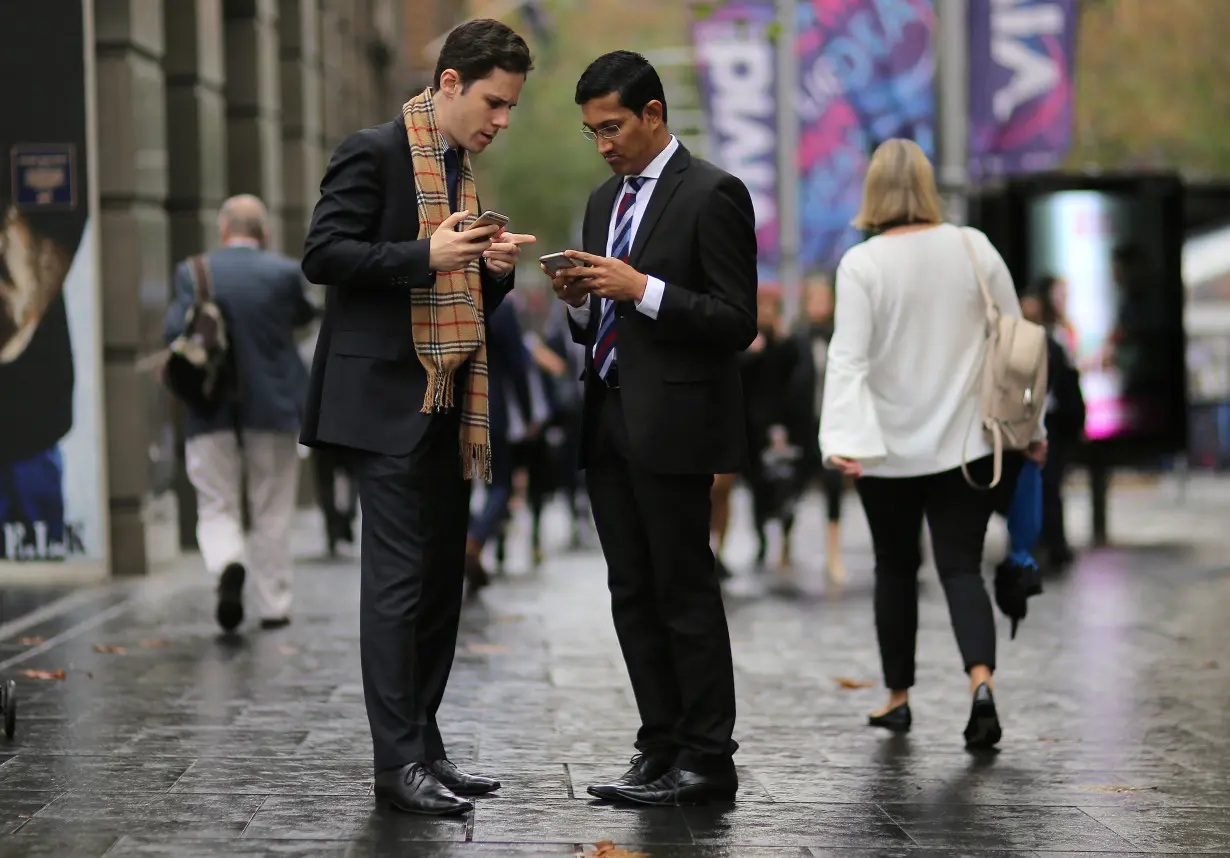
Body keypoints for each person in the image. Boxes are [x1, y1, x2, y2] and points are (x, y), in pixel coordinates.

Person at [299, 18, 536, 816]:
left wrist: (490, 270)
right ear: (448, 85)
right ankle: (395, 765)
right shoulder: (372, 151)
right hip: (383, 403)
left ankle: (425, 748)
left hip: (450, 401)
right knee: (397, 586)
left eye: (509, 109)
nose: (500, 122)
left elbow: (459, 297)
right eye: (493, 104)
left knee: (439, 586)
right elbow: (323, 254)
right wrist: (423, 253)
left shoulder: (459, 172)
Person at [544, 50, 757, 805]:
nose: (603, 143)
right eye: (591, 132)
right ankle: (658, 745)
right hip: (607, 420)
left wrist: (645, 289)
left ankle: (707, 759)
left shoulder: (714, 194)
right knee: (631, 590)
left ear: (653, 115)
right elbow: (602, 322)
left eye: (613, 127)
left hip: (676, 426)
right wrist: (580, 299)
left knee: (683, 590)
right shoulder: (604, 203)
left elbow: (737, 321)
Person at [819, 139, 1045, 750]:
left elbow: (848, 360)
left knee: (894, 569)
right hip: (971, 446)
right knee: (961, 568)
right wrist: (1034, 431)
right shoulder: (974, 247)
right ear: (927, 186)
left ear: (872, 191)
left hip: (886, 452)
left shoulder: (862, 265)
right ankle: (981, 684)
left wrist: (839, 440)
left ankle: (898, 699)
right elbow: (1018, 347)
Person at [163, 195, 316, 631]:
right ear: (263, 234)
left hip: (210, 408)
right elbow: (305, 319)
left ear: (223, 231)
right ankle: (273, 605)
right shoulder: (285, 273)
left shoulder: (193, 273)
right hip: (274, 407)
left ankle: (228, 562)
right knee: (271, 510)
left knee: (216, 504)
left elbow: (175, 331)